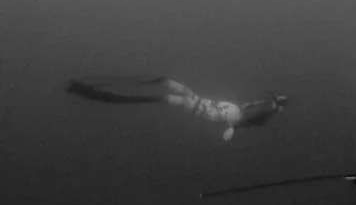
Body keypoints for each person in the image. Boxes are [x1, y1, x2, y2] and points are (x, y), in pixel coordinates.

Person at [66, 75, 288, 142]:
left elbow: (254, 118)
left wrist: (273, 107)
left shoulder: (236, 121)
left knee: (167, 94)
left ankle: (99, 94)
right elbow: (254, 108)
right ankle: (100, 89)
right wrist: (271, 103)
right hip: (197, 99)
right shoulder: (241, 111)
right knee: (166, 82)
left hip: (195, 105)